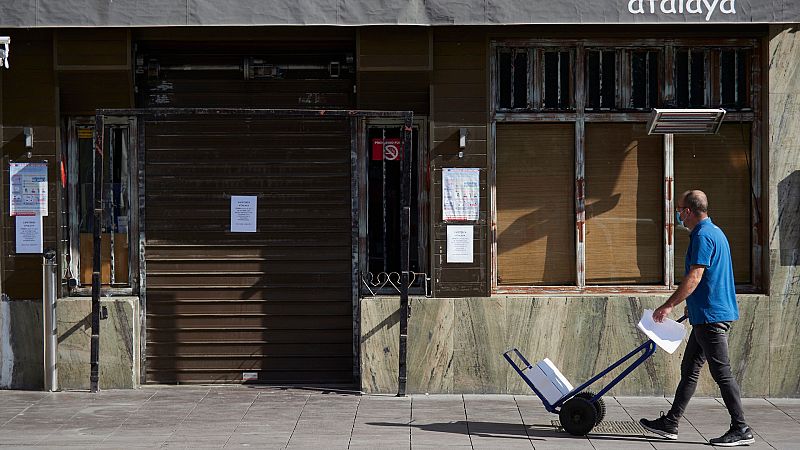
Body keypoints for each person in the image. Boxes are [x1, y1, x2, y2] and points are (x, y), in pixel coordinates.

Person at [639, 190, 754, 447]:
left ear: (688, 211)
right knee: (689, 369)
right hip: (706, 314)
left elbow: (696, 276)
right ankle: (671, 422)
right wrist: (692, 306)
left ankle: (741, 428)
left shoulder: (702, 236)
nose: (678, 214)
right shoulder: (715, 232)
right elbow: (710, 278)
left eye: (679, 210)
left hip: (712, 317)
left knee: (722, 373)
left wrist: (669, 305)